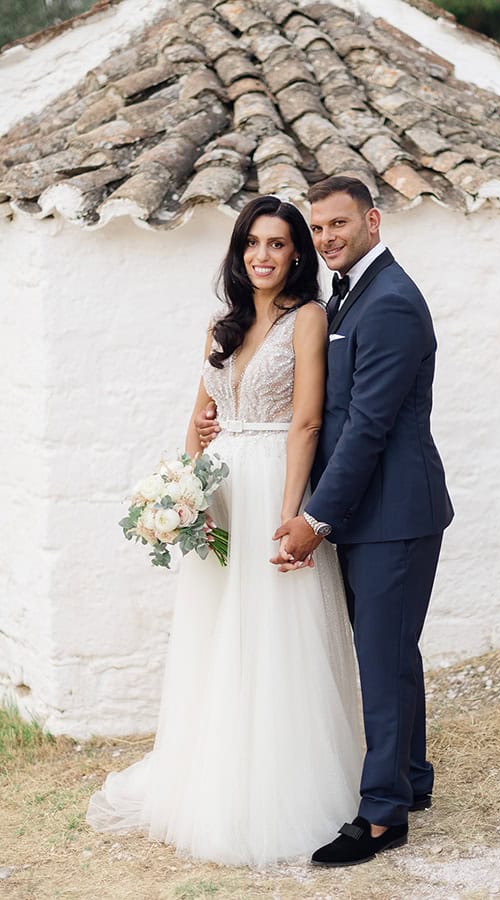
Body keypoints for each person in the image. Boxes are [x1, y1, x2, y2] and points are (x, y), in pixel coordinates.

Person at [86, 195, 363, 867]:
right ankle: (210, 774)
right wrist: (186, 490)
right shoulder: (221, 324)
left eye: (276, 244)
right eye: (252, 244)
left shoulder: (308, 318)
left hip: (273, 481)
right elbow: (200, 414)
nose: (263, 256)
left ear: (297, 253)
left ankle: (282, 783)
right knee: (217, 634)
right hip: (220, 489)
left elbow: (307, 423)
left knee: (273, 631)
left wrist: (294, 515)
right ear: (239, 254)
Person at [196, 177, 453, 867]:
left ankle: (379, 818)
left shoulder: (392, 301)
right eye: (320, 227)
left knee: (383, 657)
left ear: (371, 220)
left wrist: (313, 517)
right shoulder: (346, 295)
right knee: (393, 652)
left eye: (339, 224)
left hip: (394, 511)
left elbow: (366, 427)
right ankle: (413, 781)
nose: (328, 237)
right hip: (367, 509)